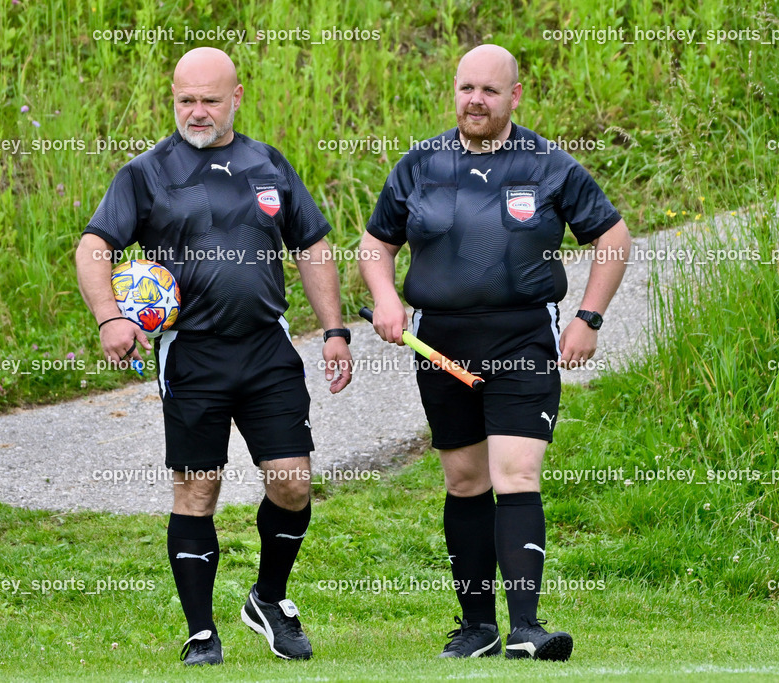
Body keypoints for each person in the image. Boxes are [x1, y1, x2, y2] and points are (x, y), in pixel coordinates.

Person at [75, 47, 353, 666]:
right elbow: (93, 247)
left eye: (209, 100)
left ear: (237, 96)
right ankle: (201, 632)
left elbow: (312, 247)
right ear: (172, 97)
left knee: (292, 483)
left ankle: (269, 600)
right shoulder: (146, 172)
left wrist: (334, 329)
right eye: (185, 100)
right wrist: (110, 317)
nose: (196, 112)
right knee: (197, 488)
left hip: (266, 349)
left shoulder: (268, 164)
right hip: (192, 355)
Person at [359, 44, 631, 662]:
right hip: (441, 342)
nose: (474, 100)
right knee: (464, 480)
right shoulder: (420, 164)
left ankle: (527, 628)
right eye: (465, 88)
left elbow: (613, 237)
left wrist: (588, 317)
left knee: (517, 474)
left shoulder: (549, 165)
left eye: (488, 90)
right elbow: (376, 242)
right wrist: (384, 299)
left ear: (514, 96)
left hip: (522, 337)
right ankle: (477, 626)